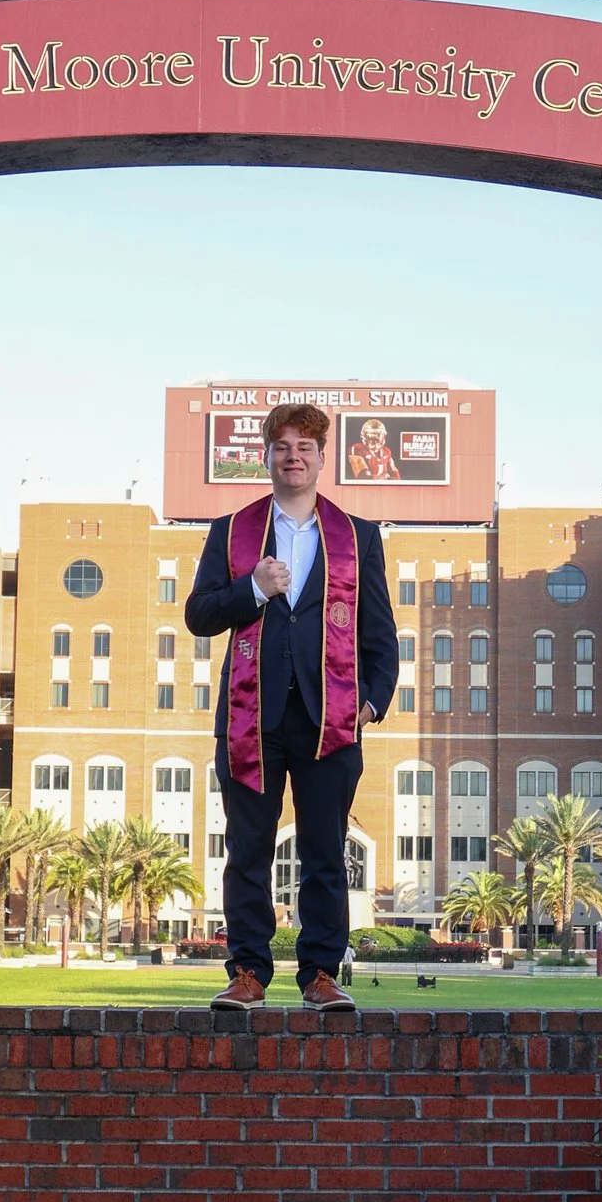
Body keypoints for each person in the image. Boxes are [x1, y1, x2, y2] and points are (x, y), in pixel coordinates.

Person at [187, 397, 399, 1015]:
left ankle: (321, 975)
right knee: (249, 849)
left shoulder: (357, 535)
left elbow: (380, 633)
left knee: (327, 850)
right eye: (282, 447)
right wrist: (253, 588)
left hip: (329, 717)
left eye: (305, 448)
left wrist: (374, 701)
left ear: (322, 457)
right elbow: (199, 615)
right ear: (267, 457)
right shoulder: (233, 531)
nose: (293, 457)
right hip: (251, 716)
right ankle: (248, 971)